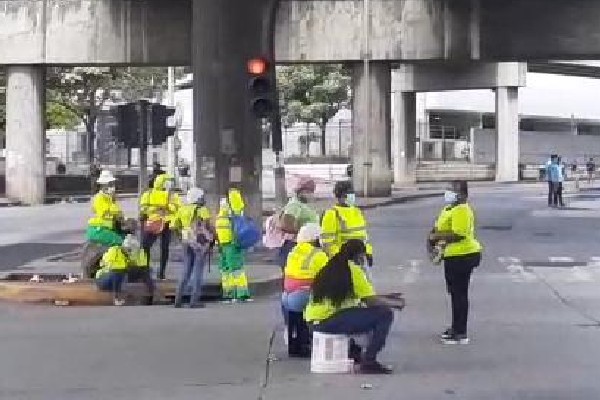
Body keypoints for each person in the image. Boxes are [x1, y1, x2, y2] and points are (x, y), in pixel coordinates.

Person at [305, 239, 403, 374]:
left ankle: (355, 351)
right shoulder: (353, 270)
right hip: (328, 321)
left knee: (365, 312)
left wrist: (386, 297)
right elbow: (370, 301)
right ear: (358, 256)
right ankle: (369, 361)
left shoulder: (332, 266)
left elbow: (363, 294)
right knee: (384, 314)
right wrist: (394, 304)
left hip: (313, 321)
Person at [429, 181, 482, 345]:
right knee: (454, 293)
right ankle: (455, 327)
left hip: (463, 255)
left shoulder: (462, 210)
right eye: (449, 189)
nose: (450, 193)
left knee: (459, 293)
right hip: (452, 255)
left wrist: (437, 237)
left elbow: (459, 234)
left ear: (464, 194)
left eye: (454, 190)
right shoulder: (449, 209)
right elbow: (438, 227)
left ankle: (460, 332)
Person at [282, 223, 328, 357]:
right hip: (303, 296)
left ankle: (294, 341)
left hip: (287, 296)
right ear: (315, 238)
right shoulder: (318, 255)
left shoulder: (293, 251)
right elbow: (328, 275)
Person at [321, 181, 373, 278]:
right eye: (347, 194)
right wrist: (341, 259)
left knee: (366, 288)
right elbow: (328, 243)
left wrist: (368, 252)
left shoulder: (357, 211)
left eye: (352, 193)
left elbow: (364, 237)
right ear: (340, 196)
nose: (351, 196)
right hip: (343, 261)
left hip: (360, 258)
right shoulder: (332, 214)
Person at [173, 187, 214, 309]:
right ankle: (194, 301)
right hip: (199, 243)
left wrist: (182, 237)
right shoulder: (202, 209)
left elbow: (174, 225)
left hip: (186, 240)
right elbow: (208, 226)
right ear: (198, 198)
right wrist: (210, 239)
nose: (203, 199)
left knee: (185, 270)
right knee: (198, 272)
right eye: (201, 197)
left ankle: (178, 300)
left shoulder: (182, 209)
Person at [140, 173, 181, 279]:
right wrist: (163, 207)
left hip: (156, 222)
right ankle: (155, 272)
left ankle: (150, 271)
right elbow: (176, 208)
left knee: (146, 247)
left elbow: (143, 209)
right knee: (160, 248)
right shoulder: (170, 195)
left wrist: (157, 208)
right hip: (159, 223)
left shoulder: (148, 194)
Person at [95, 235, 153, 306]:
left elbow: (144, 269)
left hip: (121, 276)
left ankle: (151, 293)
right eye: (129, 250)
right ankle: (117, 298)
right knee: (118, 272)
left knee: (144, 271)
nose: (131, 253)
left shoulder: (139, 252)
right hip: (104, 278)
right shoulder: (114, 251)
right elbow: (108, 266)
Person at [215, 189, 251, 302]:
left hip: (223, 243)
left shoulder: (222, 211)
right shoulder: (234, 211)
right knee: (236, 269)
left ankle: (228, 294)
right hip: (232, 243)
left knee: (225, 270)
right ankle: (241, 294)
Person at [277, 177, 319, 270]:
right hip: (293, 245)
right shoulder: (294, 205)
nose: (310, 194)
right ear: (300, 191)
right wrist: (305, 232)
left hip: (303, 244)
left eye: (311, 191)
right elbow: (286, 225)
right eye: (307, 192)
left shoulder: (302, 205)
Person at [86, 170, 125, 247]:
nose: (113, 187)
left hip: (107, 229)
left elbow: (118, 212)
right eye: (110, 184)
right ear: (103, 185)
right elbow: (104, 214)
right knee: (121, 242)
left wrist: (122, 218)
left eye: (113, 184)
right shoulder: (99, 198)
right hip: (99, 230)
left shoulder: (109, 198)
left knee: (124, 239)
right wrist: (117, 217)